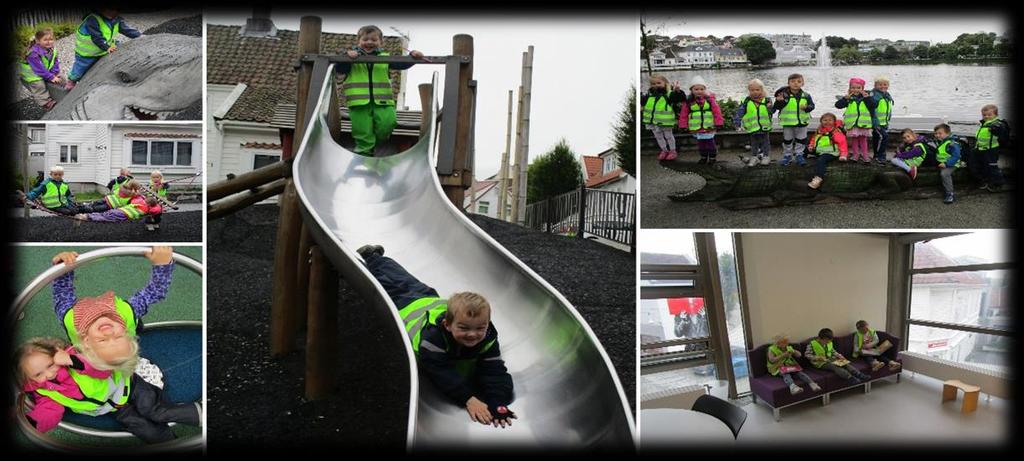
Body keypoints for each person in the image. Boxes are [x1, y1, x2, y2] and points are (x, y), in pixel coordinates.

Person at [47, 247, 199, 442]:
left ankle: (169, 432)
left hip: (116, 392)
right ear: (128, 336)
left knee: (144, 413)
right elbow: (155, 292)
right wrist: (162, 265)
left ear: (85, 342)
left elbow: (62, 293)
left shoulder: (70, 319)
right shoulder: (127, 312)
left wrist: (63, 267)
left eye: (103, 341)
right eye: (117, 338)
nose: (109, 333)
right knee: (146, 414)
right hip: (116, 394)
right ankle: (176, 435)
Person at [356, 244, 516, 428]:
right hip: (406, 302)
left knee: (402, 279)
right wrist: (469, 399)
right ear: (447, 325)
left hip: (431, 301)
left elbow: (495, 371)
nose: (473, 334)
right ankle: (371, 257)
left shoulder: (487, 338)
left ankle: (376, 259)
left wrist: (498, 402)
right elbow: (441, 373)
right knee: (394, 278)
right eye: (464, 328)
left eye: (479, 327)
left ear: (487, 324)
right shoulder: (433, 340)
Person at [336, 25, 424, 156]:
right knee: (362, 130)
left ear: (381, 42)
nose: (369, 42)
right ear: (358, 41)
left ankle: (378, 142)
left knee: (388, 123)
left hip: (383, 102)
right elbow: (340, 68)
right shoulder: (351, 58)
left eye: (374, 39)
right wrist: (347, 56)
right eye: (365, 39)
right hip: (358, 103)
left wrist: (413, 56)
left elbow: (402, 64)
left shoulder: (385, 57)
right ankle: (364, 154)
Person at [66, 8, 142, 90]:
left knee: (119, 46)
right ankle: (71, 80)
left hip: (104, 47)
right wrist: (107, 47)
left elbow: (127, 30)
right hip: (88, 53)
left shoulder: (116, 19)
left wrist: (139, 36)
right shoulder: (93, 19)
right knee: (81, 67)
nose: (113, 13)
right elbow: (97, 37)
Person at [678, 76, 724, 164]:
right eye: (696, 89)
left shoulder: (710, 100)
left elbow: (717, 112)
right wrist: (683, 125)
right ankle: (703, 156)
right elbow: (683, 114)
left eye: (701, 89)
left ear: (705, 90)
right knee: (701, 144)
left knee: (710, 143)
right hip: (697, 128)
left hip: (709, 127)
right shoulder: (688, 102)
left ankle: (712, 157)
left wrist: (719, 123)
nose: (699, 91)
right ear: (691, 90)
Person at [773, 73, 815, 166]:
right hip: (788, 123)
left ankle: (799, 155)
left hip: (802, 122)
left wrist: (807, 107)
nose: (796, 83)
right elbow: (776, 107)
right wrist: (779, 101)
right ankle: (787, 155)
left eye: (799, 81)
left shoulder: (806, 95)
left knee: (801, 139)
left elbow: (812, 106)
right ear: (788, 83)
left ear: (802, 83)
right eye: (792, 81)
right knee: (787, 140)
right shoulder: (784, 95)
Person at [642, 74, 685, 161]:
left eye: (658, 83)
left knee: (669, 136)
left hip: (665, 121)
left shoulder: (668, 94)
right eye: (653, 84)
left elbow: (679, 98)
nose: (656, 85)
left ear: (665, 83)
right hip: (652, 121)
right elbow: (643, 102)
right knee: (658, 137)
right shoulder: (649, 95)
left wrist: (678, 91)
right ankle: (664, 150)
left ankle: (673, 151)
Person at [805, 328, 869, 385]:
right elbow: (807, 355)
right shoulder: (811, 344)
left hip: (830, 359)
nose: (828, 343)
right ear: (819, 338)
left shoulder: (829, 343)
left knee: (845, 363)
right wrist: (816, 357)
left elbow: (833, 351)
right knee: (834, 367)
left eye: (829, 341)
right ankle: (850, 378)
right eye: (826, 341)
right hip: (820, 363)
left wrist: (839, 356)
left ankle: (859, 374)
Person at [834, 77, 877, 164]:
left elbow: (874, 105)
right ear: (849, 89)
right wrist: (844, 99)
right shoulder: (849, 98)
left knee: (863, 140)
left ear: (862, 89)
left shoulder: (866, 98)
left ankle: (865, 155)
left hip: (863, 123)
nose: (855, 90)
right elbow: (838, 105)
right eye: (853, 88)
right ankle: (855, 155)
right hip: (853, 124)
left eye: (858, 88)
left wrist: (867, 98)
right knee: (854, 140)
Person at [734, 78, 775, 167]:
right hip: (752, 127)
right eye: (752, 90)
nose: (755, 92)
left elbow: (772, 112)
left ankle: (766, 156)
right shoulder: (747, 101)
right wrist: (737, 122)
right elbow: (740, 112)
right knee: (754, 143)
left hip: (764, 126)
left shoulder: (767, 100)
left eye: (757, 90)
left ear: (762, 89)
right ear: (749, 90)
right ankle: (754, 156)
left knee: (765, 142)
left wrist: (770, 107)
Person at [19, 28, 62, 110]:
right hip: (32, 73)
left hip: (43, 70)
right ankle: (45, 102)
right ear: (38, 41)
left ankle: (65, 90)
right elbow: (39, 69)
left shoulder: (52, 49)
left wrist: (55, 73)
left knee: (61, 77)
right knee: (39, 85)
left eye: (51, 39)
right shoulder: (33, 53)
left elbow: (55, 61)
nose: (49, 42)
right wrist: (51, 77)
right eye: (45, 40)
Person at [971, 104, 1010, 192]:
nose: (986, 117)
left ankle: (998, 184)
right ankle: (985, 181)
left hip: (991, 150)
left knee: (992, 167)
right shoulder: (984, 123)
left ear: (995, 115)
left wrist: (996, 128)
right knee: (981, 166)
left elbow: (1001, 129)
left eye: (989, 115)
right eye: (984, 115)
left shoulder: (997, 124)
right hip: (981, 149)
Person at [806, 113, 848, 190]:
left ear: (834, 121)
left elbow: (843, 143)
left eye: (830, 120)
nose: (827, 122)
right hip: (819, 150)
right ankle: (802, 161)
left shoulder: (835, 132)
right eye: (825, 120)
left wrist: (843, 155)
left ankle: (818, 178)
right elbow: (814, 139)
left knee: (821, 160)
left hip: (831, 152)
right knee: (804, 148)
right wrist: (811, 146)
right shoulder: (819, 130)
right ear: (821, 121)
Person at [933, 123, 964, 204]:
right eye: (936, 133)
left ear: (948, 133)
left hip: (952, 164)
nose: (937, 135)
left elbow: (956, 156)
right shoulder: (942, 141)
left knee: (944, 173)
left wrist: (946, 164)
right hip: (942, 162)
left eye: (940, 133)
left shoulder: (952, 143)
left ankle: (950, 194)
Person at [870, 76, 894, 164]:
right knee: (884, 137)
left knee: (877, 138)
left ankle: (876, 155)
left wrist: (888, 120)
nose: (883, 86)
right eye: (880, 84)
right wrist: (875, 123)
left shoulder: (886, 95)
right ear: (875, 85)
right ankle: (880, 156)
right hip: (877, 122)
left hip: (884, 122)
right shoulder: (875, 95)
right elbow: (872, 110)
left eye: (885, 84)